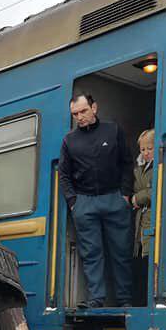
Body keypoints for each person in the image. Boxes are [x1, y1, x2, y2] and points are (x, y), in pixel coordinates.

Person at [59, 93, 135, 308]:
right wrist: (74, 202)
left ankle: (125, 299)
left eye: (83, 111)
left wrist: (125, 194)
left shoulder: (113, 130)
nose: (80, 117)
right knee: (91, 253)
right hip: (85, 202)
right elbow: (63, 175)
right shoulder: (69, 140)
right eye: (75, 114)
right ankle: (96, 299)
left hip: (115, 198)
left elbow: (127, 163)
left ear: (95, 107)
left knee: (121, 251)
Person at [132, 129, 156, 303]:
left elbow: (156, 190)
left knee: (149, 260)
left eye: (150, 149)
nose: (146, 153)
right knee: (141, 261)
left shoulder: (159, 166)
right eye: (143, 150)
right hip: (141, 222)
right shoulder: (139, 168)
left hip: (150, 221)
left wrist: (137, 198)